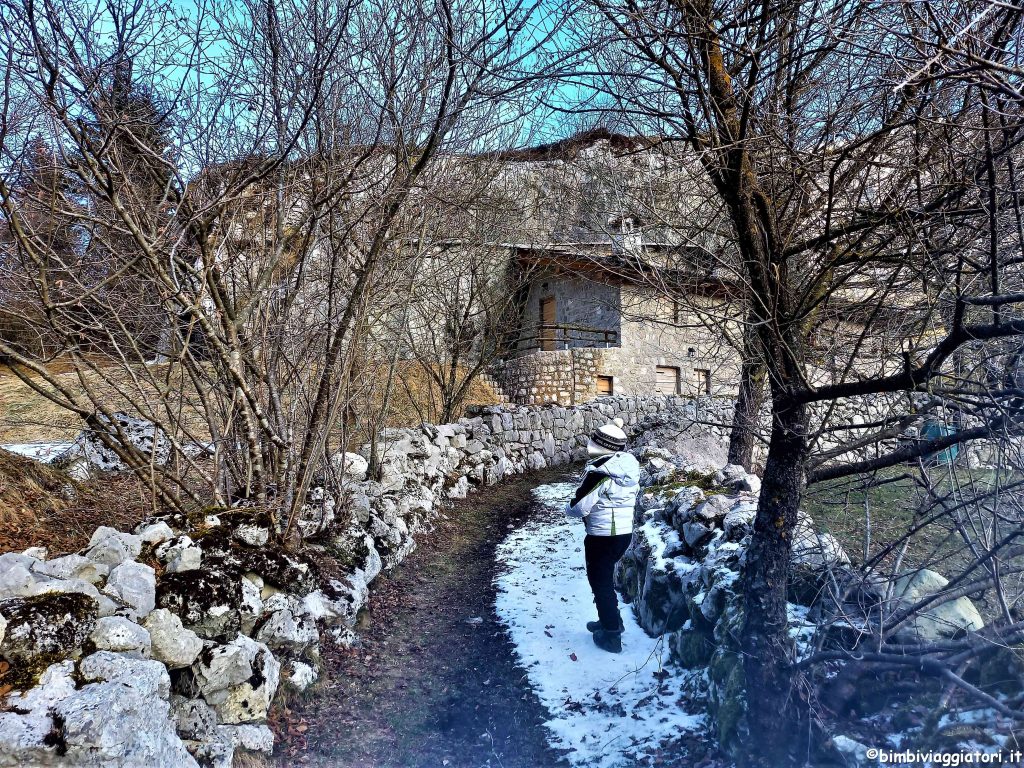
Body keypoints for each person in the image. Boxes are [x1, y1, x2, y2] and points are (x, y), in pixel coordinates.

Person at [565, 417, 640, 653]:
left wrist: (568, 506)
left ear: (602, 446)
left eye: (595, 440)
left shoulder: (600, 473)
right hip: (622, 534)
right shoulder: (627, 467)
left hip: (601, 535)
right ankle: (611, 620)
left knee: (600, 583)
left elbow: (578, 507)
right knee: (604, 581)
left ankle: (611, 636)